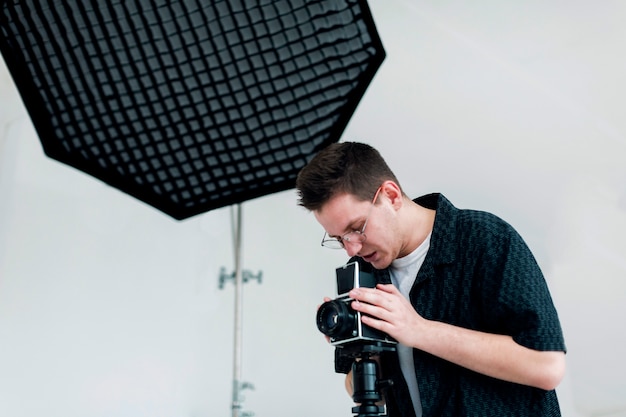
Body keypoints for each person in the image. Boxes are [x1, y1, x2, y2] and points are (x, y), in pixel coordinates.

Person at [295, 141, 566, 417]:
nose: (352, 248)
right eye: (339, 238)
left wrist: (419, 330)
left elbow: (547, 367)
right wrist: (361, 351)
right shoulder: (360, 273)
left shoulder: (485, 239)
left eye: (356, 228)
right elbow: (366, 395)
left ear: (390, 195)